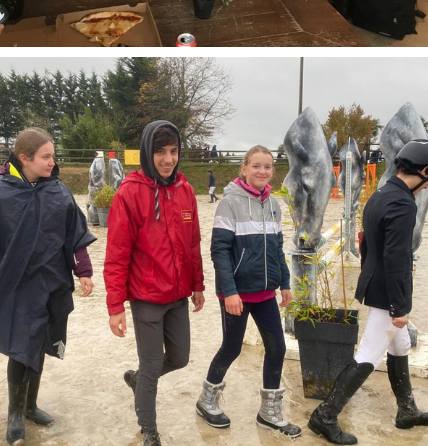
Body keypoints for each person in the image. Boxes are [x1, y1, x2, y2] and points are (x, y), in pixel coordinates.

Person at [0, 128, 95, 446]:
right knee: (21, 349)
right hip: (16, 286)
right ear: (25, 159)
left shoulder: (58, 191)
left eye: (53, 155)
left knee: (40, 344)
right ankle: (14, 414)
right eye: (46, 157)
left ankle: (31, 405)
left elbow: (73, 231)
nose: (53, 162)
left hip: (50, 283)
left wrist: (85, 270)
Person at [308, 139, 428, 444]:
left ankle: (407, 410)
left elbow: (365, 245)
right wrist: (399, 307)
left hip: (375, 282)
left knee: (399, 347)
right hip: (387, 292)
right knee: (369, 355)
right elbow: (396, 258)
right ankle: (325, 415)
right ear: (424, 172)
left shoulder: (381, 194)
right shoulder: (403, 204)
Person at [105, 120, 205, 446]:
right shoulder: (130, 193)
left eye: (173, 151)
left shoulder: (185, 190)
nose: (167, 159)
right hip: (146, 296)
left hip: (177, 294)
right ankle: (149, 429)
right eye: (160, 151)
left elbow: (192, 244)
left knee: (180, 357)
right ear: (148, 153)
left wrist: (198, 285)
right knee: (151, 365)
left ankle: (137, 380)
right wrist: (115, 305)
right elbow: (117, 254)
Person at [195, 146, 300, 437]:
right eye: (256, 166)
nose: (262, 171)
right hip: (237, 293)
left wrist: (285, 283)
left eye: (267, 166)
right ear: (244, 168)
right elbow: (220, 250)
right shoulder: (229, 203)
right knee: (232, 348)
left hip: (265, 292)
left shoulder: (274, 204)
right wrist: (229, 291)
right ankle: (207, 399)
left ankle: (269, 411)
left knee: (277, 347)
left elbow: (277, 248)